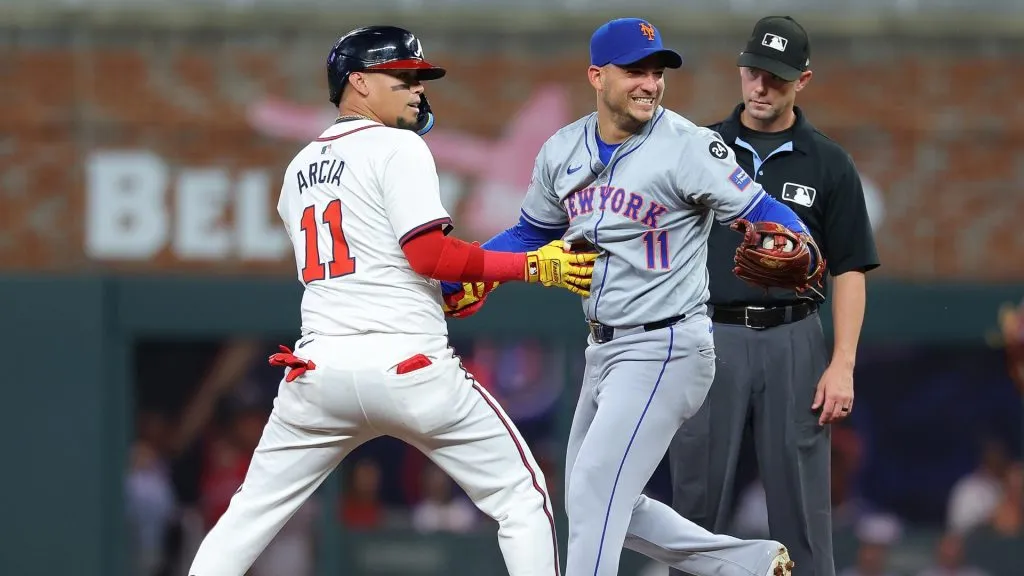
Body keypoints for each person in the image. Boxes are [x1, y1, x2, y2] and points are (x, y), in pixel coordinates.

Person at [186, 25, 598, 576]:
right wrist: (528, 264)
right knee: (521, 500)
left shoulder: (297, 170)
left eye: (419, 79)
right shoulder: (398, 145)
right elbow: (427, 254)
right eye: (402, 77)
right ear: (357, 82)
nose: (417, 89)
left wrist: (439, 298)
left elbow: (371, 268)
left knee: (246, 518)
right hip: (408, 365)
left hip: (317, 373)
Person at [443, 17, 824, 576]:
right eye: (635, 72)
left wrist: (805, 244)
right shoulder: (562, 149)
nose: (650, 83)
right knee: (594, 499)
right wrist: (467, 272)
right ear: (597, 76)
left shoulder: (690, 147)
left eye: (656, 72)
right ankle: (750, 564)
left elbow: (763, 209)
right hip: (603, 350)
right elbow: (529, 235)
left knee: (597, 490)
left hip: (667, 345)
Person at [668, 15, 880, 576]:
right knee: (695, 501)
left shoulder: (829, 162)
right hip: (709, 332)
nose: (761, 87)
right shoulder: (700, 148)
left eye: (777, 78)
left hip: (794, 335)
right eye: (754, 73)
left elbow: (852, 269)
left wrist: (843, 364)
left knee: (803, 508)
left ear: (802, 81)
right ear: (742, 70)